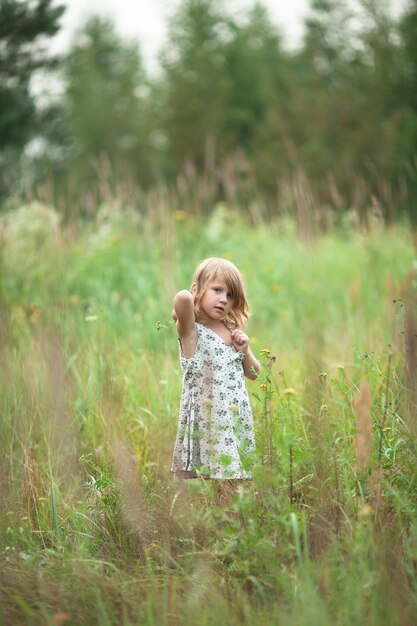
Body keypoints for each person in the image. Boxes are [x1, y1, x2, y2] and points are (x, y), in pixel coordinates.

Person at [171, 257, 260, 481]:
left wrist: (245, 350)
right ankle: (219, 515)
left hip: (235, 418)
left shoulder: (231, 330)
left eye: (230, 296)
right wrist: (191, 304)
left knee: (237, 481)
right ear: (197, 290)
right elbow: (182, 298)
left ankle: (230, 516)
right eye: (217, 290)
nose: (223, 300)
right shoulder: (192, 331)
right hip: (211, 419)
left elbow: (255, 374)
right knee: (224, 481)